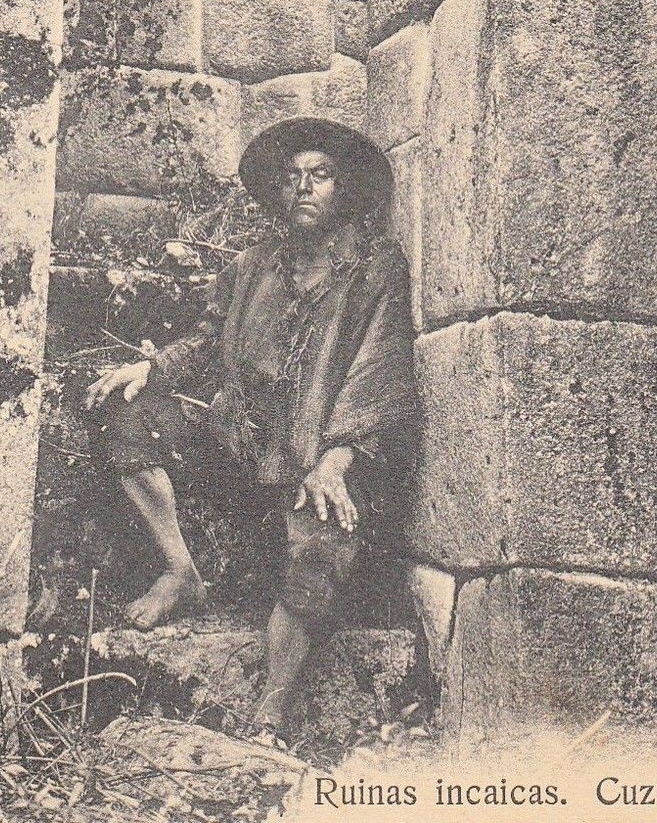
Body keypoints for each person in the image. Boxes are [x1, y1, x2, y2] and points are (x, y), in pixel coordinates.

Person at [83, 116, 417, 732]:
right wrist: (151, 368)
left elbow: (379, 368)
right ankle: (181, 570)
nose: (304, 187)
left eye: (321, 175)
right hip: (243, 451)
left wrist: (337, 460)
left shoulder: (375, 268)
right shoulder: (251, 267)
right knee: (126, 414)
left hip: (321, 462)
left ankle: (269, 712)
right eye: (292, 177)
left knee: (321, 537)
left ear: (345, 188)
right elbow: (207, 340)